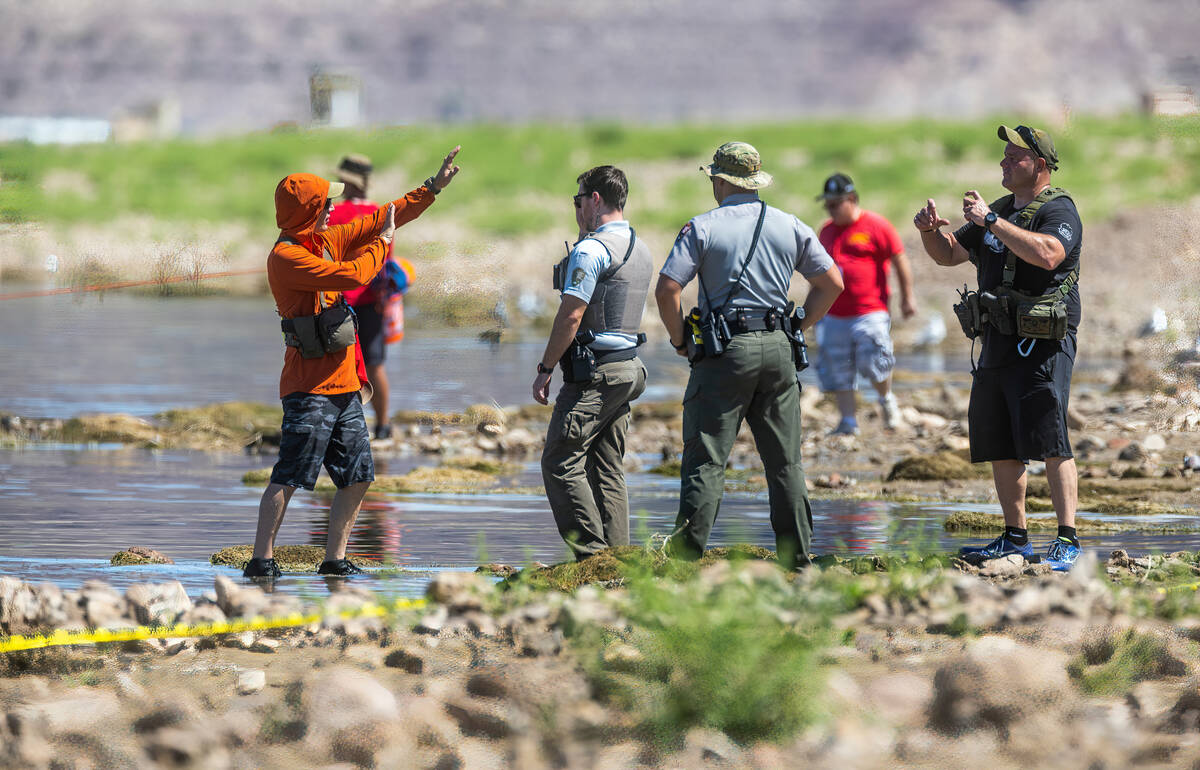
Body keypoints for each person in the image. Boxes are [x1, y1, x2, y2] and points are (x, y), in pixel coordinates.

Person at [243, 147, 461, 579]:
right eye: (327, 204)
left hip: (345, 385)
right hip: (308, 387)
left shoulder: (325, 240)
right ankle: (260, 560)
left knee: (359, 475)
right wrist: (383, 245)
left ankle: (334, 559)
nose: (334, 210)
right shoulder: (286, 259)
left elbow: (385, 215)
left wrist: (431, 189)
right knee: (289, 476)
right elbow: (355, 276)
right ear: (309, 212)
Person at [655, 142, 843, 569]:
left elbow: (668, 289)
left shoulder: (702, 227)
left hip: (724, 352)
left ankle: (684, 559)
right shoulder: (789, 224)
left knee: (707, 457)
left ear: (720, 181)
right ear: (754, 181)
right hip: (779, 348)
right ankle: (797, 559)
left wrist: (680, 338)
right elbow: (832, 282)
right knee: (785, 462)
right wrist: (800, 325)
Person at [914, 124, 1082, 571]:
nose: (1004, 163)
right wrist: (931, 232)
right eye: (1004, 156)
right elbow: (949, 255)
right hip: (997, 341)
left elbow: (1049, 254)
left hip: (1043, 343)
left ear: (1040, 166)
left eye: (1015, 157)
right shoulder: (1004, 208)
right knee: (1000, 438)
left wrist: (990, 220)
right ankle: (1016, 537)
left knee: (1051, 437)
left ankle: (1067, 538)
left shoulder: (1058, 209)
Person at [532, 165, 652, 560]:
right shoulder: (640, 245)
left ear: (595, 199)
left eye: (578, 199)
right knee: (606, 466)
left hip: (596, 372)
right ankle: (620, 559)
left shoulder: (592, 249)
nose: (576, 207)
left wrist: (546, 368)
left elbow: (571, 315)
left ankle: (591, 557)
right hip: (629, 368)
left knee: (560, 460)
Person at [815, 173, 916, 435]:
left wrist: (907, 297)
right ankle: (848, 421)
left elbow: (899, 260)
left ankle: (886, 400)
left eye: (835, 203)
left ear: (852, 199)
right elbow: (817, 272)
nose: (831, 209)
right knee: (838, 367)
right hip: (834, 313)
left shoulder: (876, 225)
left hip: (870, 310)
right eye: (827, 204)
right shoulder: (826, 231)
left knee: (874, 360)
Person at [328, 154, 414, 440]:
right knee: (375, 364)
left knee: (339, 365)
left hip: (340, 303)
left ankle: (343, 427)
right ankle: (383, 426)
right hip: (373, 302)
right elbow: (385, 259)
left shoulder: (334, 215)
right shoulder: (381, 214)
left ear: (346, 183)